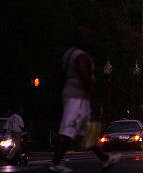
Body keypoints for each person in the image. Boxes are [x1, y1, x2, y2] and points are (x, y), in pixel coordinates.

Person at [49, 26, 119, 173]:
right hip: (78, 97)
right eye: (89, 38)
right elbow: (86, 78)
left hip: (72, 95)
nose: (91, 41)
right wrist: (95, 98)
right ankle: (55, 164)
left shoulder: (68, 54)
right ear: (82, 40)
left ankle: (104, 159)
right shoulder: (81, 56)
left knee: (88, 131)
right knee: (67, 129)